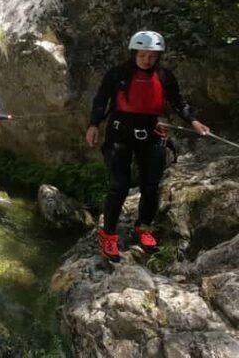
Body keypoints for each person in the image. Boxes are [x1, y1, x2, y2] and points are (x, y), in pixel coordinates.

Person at [86, 30, 210, 262]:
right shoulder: (118, 74)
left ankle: (143, 226)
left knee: (151, 186)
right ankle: (108, 234)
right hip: (119, 134)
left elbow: (178, 102)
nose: (147, 60)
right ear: (134, 53)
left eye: (152, 56)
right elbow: (101, 100)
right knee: (119, 186)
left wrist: (193, 121)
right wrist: (93, 125)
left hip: (151, 134)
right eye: (142, 55)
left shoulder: (164, 76)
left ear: (158, 56)